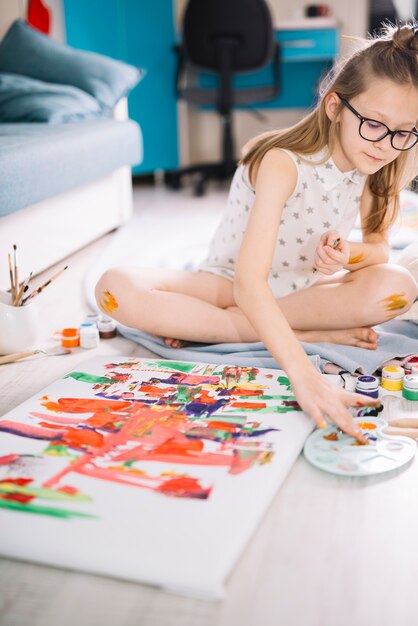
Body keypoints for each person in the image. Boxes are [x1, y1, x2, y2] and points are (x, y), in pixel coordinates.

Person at [95, 23, 418, 443]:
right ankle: (291, 331)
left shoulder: (378, 165)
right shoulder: (283, 163)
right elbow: (249, 284)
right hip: (229, 286)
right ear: (335, 106)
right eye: (374, 124)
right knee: (113, 289)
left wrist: (348, 254)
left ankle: (224, 328)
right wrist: (303, 372)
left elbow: (378, 249)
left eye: (405, 132)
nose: (386, 144)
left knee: (397, 285)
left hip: (302, 293)